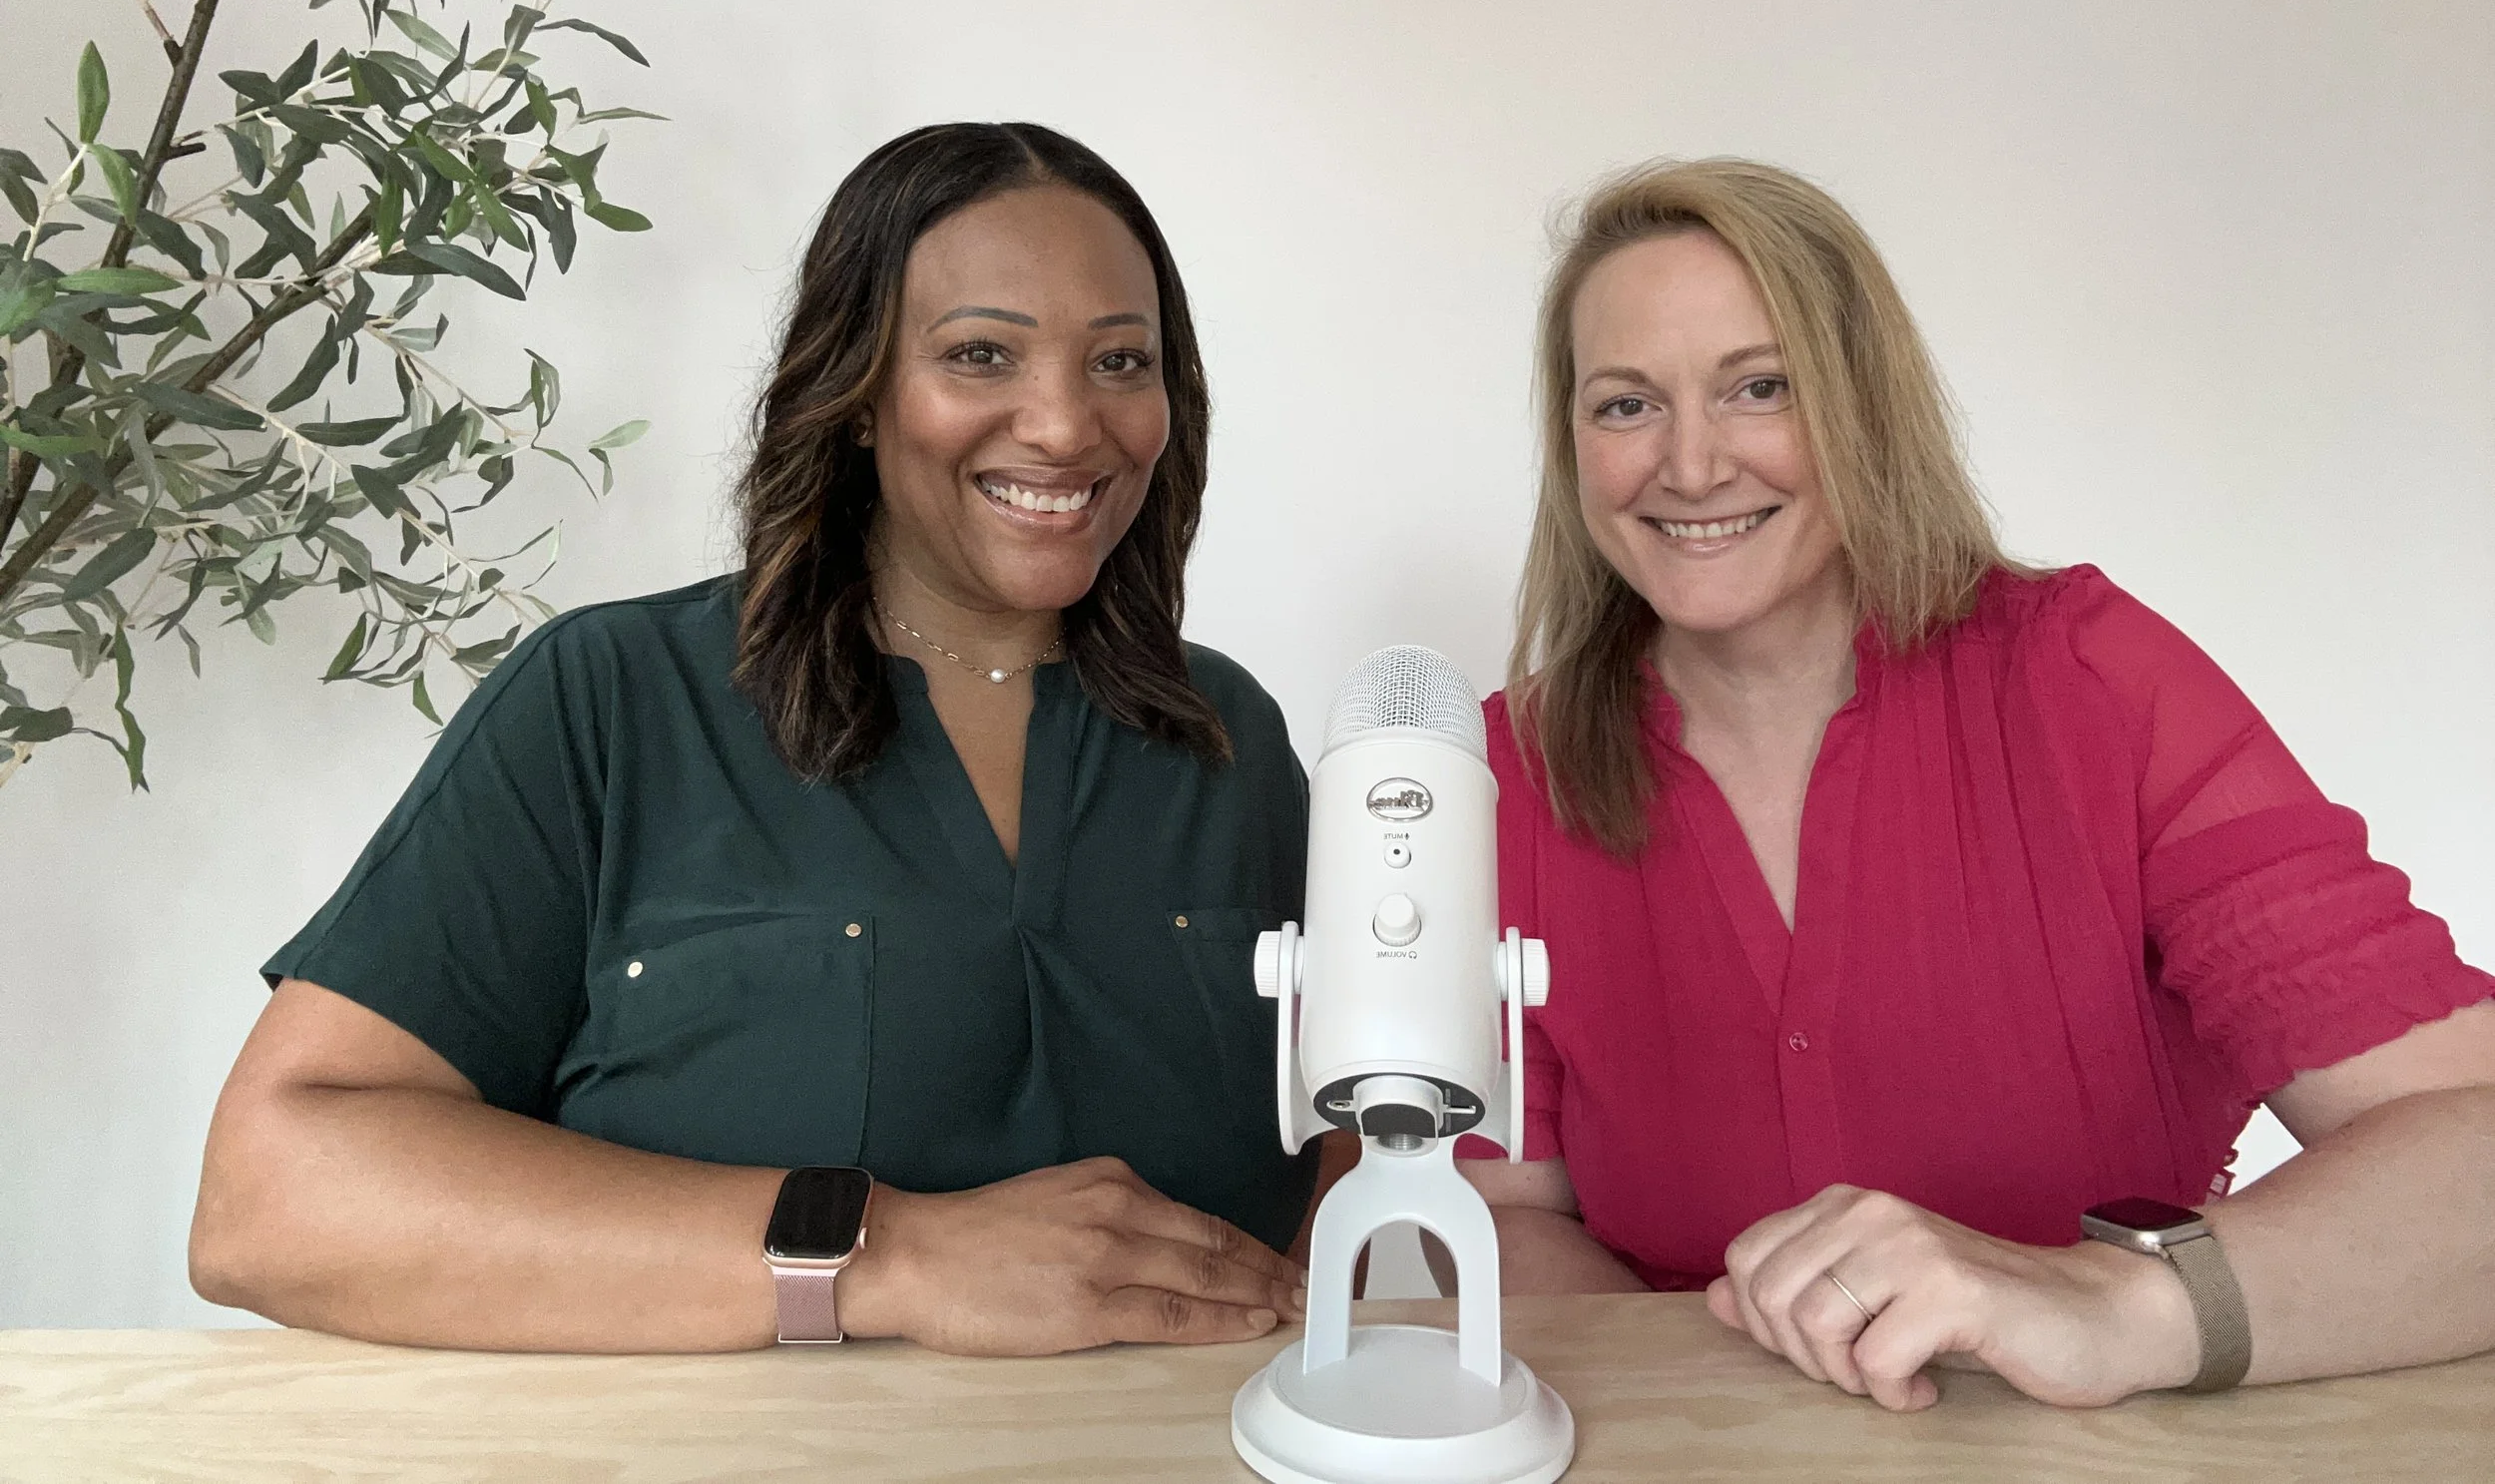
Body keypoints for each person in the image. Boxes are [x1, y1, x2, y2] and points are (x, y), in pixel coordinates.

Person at [190, 123, 1319, 1355]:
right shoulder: (612, 702)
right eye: (979, 354)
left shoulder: (1229, 742)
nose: (1062, 424)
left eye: (1119, 361)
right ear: (858, 394)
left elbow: (1352, 1152)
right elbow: (272, 1197)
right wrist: (892, 1254)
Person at [1455, 157, 2495, 1410]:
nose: (1689, 464)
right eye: (1625, 405)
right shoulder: (1497, 775)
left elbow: (2470, 1136)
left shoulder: (2092, 683)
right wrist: (1743, 1417)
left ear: (1864, 404)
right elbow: (1503, 1211)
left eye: (1761, 387)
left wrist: (2110, 1304)